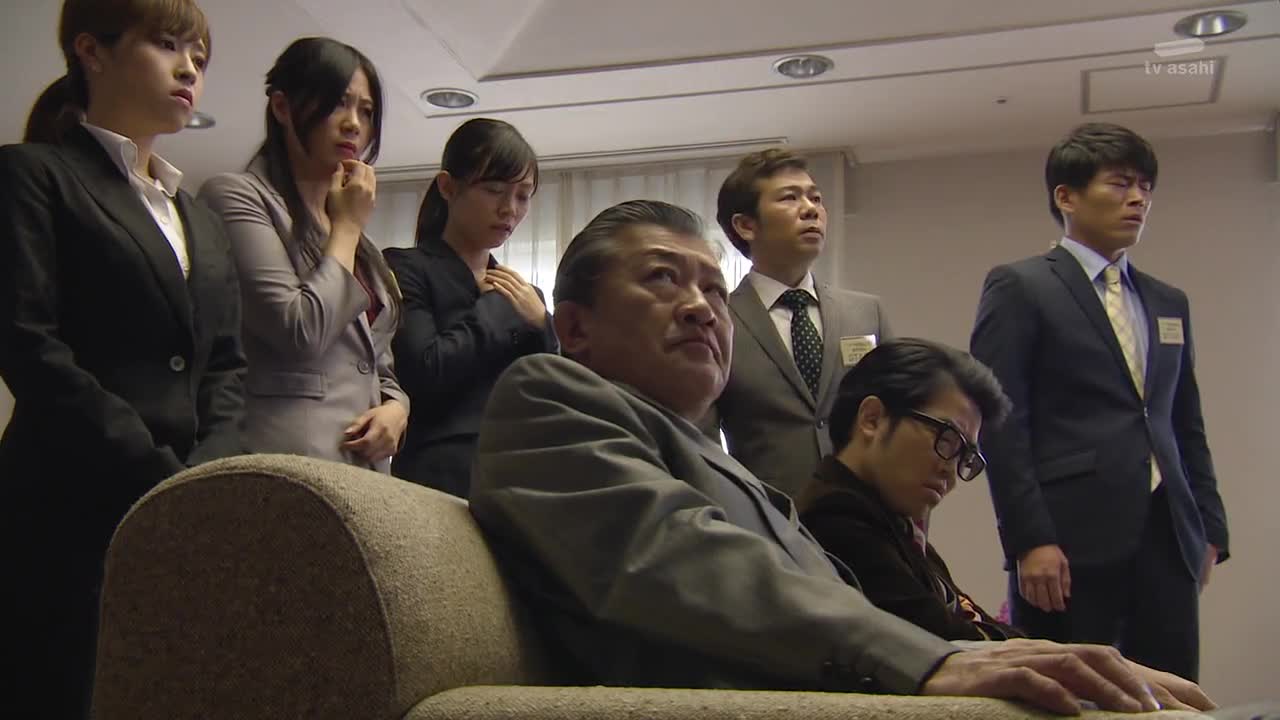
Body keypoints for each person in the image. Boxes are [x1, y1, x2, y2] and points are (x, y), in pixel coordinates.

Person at [470, 199, 1212, 716]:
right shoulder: (548, 394)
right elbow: (678, 560)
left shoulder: (722, 466)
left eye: (713, 288)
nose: (702, 307)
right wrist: (932, 660)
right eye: (663, 277)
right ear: (575, 327)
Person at [0, 1, 244, 715]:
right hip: (64, 502)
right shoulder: (33, 174)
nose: (189, 68)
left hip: (184, 510)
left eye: (199, 56)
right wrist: (149, 467)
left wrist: (201, 478)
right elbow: (28, 341)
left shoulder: (200, 217)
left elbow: (226, 366)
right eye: (167, 44)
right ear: (92, 50)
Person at [970, 122, 1230, 680]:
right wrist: (1029, 539)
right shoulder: (1021, 286)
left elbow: (1185, 421)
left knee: (1171, 693)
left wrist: (1210, 528)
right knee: (1072, 693)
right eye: (1120, 184)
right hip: (1068, 539)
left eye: (1146, 187)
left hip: (1169, 534)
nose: (1139, 199)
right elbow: (1000, 423)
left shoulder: (1167, 301)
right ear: (1067, 197)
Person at [200, 37, 407, 472]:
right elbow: (298, 331)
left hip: (364, 472)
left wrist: (396, 407)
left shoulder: (359, 240)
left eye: (366, 111)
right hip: (285, 463)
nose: (353, 124)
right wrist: (347, 227)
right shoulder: (235, 196)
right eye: (338, 103)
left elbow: (376, 360)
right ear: (282, 106)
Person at [798, 338, 1022, 642]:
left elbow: (972, 621)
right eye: (946, 439)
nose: (951, 473)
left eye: (964, 457)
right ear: (872, 419)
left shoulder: (895, 525)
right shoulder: (833, 518)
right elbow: (938, 636)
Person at [702, 148, 892, 497]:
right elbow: (704, 439)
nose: (811, 209)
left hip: (868, 512)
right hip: (769, 515)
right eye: (789, 198)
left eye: (816, 198)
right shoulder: (715, 320)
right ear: (746, 225)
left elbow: (900, 417)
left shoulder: (866, 312)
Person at [384, 118, 556, 496]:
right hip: (437, 475)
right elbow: (423, 371)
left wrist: (544, 326)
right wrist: (498, 308)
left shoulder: (525, 295)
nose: (509, 209)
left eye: (523, 196)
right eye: (494, 190)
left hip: (518, 474)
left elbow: (552, 393)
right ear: (448, 187)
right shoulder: (405, 267)